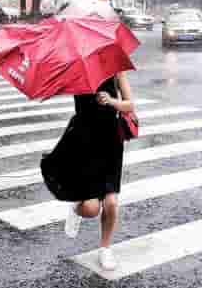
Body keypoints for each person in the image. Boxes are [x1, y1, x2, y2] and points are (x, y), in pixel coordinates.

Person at [59, 71, 133, 271]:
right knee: (91, 209)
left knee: (111, 202)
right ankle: (76, 208)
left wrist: (111, 101)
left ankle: (105, 248)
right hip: (84, 143)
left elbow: (129, 105)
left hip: (111, 142)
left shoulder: (117, 69)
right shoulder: (75, 69)